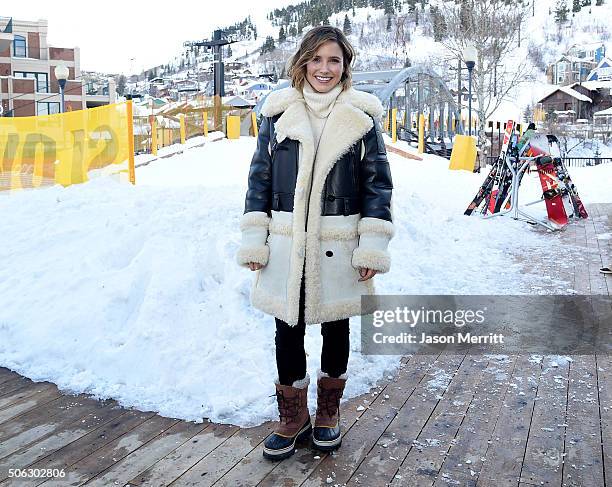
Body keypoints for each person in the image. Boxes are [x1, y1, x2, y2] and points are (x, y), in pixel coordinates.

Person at [236, 26, 394, 461]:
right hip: (287, 242)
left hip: (338, 243)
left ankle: (327, 413)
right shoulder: (277, 113)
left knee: (336, 326)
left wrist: (372, 248)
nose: (324, 69)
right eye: (317, 59)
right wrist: (256, 239)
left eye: (334, 61)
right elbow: (260, 180)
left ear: (344, 67)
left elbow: (378, 186)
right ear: (303, 62)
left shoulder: (361, 118)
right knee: (286, 329)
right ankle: (293, 418)